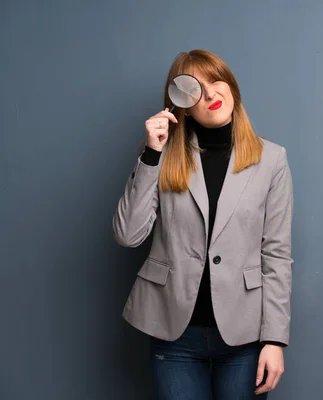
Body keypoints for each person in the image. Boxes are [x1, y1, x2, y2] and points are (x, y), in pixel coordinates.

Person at [112, 49, 294, 399]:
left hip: (245, 336)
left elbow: (277, 255)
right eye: (194, 88)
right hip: (175, 334)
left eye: (215, 81)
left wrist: (274, 340)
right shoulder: (162, 156)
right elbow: (127, 234)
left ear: (231, 87)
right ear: (181, 104)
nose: (210, 94)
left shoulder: (272, 160)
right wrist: (151, 154)